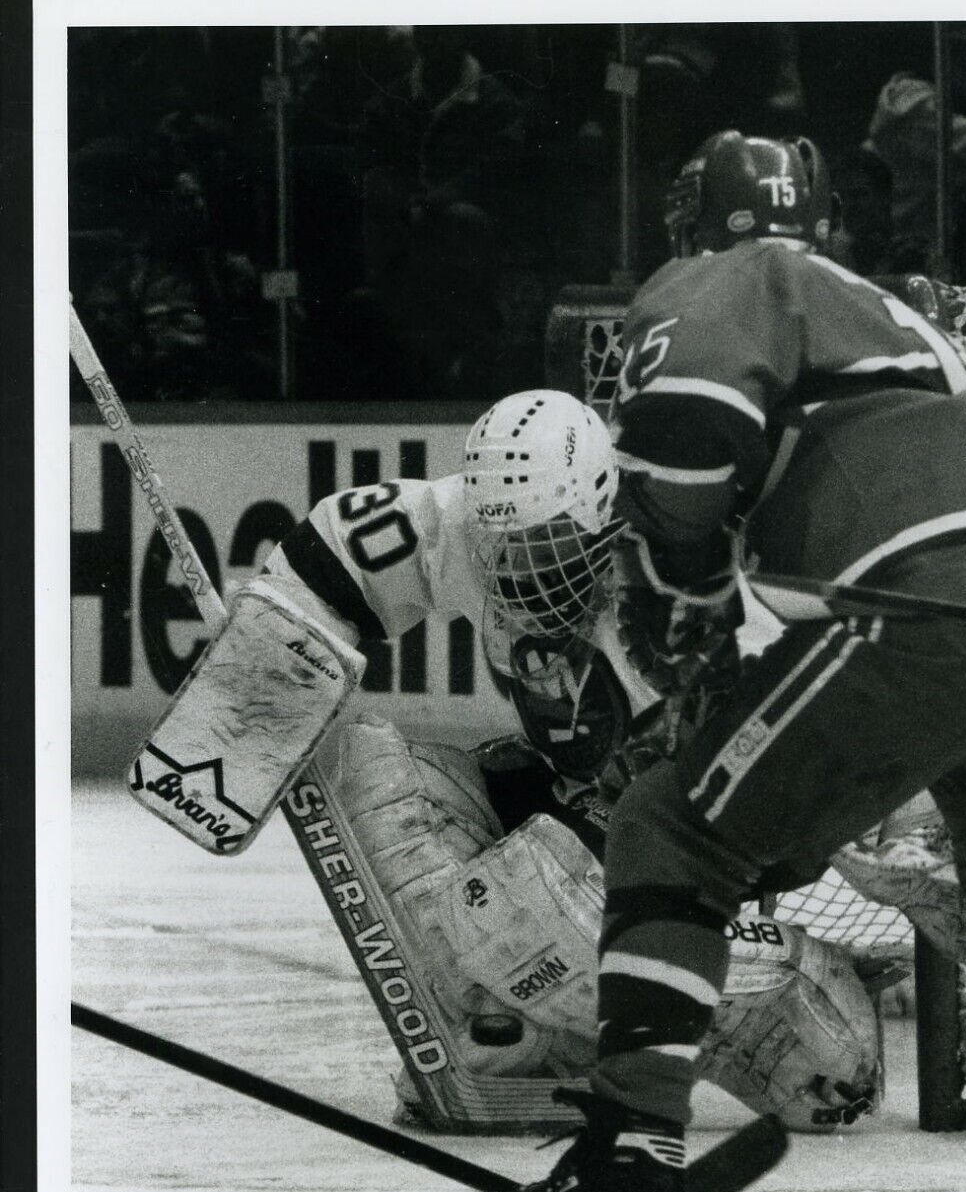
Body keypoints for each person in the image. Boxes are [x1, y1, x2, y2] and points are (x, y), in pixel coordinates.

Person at [489, 131, 966, 1192]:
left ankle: (622, 1167)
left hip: (929, 598)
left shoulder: (733, 273)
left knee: (672, 831)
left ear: (698, 217)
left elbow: (696, 421)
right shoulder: (888, 306)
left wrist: (687, 589)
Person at [136, 385, 883, 1138]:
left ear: (605, 512)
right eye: (503, 547)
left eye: (547, 547)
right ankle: (530, 1040)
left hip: (692, 867)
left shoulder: (694, 594)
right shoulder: (459, 525)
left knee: (831, 1079)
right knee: (369, 778)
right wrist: (269, 646)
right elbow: (331, 553)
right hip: (575, 811)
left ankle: (747, 982)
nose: (519, 571)